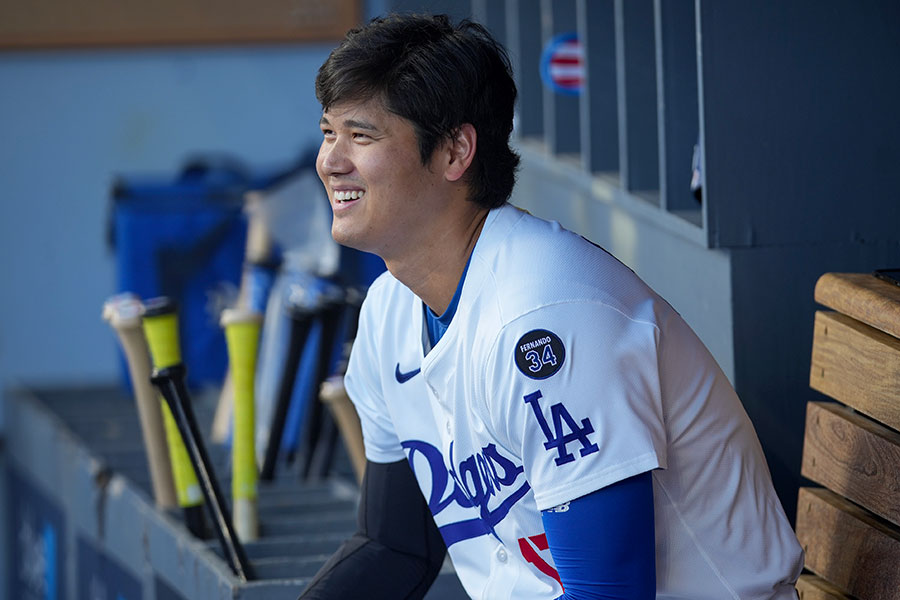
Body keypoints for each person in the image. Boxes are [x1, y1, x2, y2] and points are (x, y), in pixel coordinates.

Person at [299, 13, 803, 600]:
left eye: (361, 136)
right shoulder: (390, 313)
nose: (331, 160)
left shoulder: (545, 314)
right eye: (328, 132)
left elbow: (609, 591)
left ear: (456, 150)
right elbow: (395, 547)